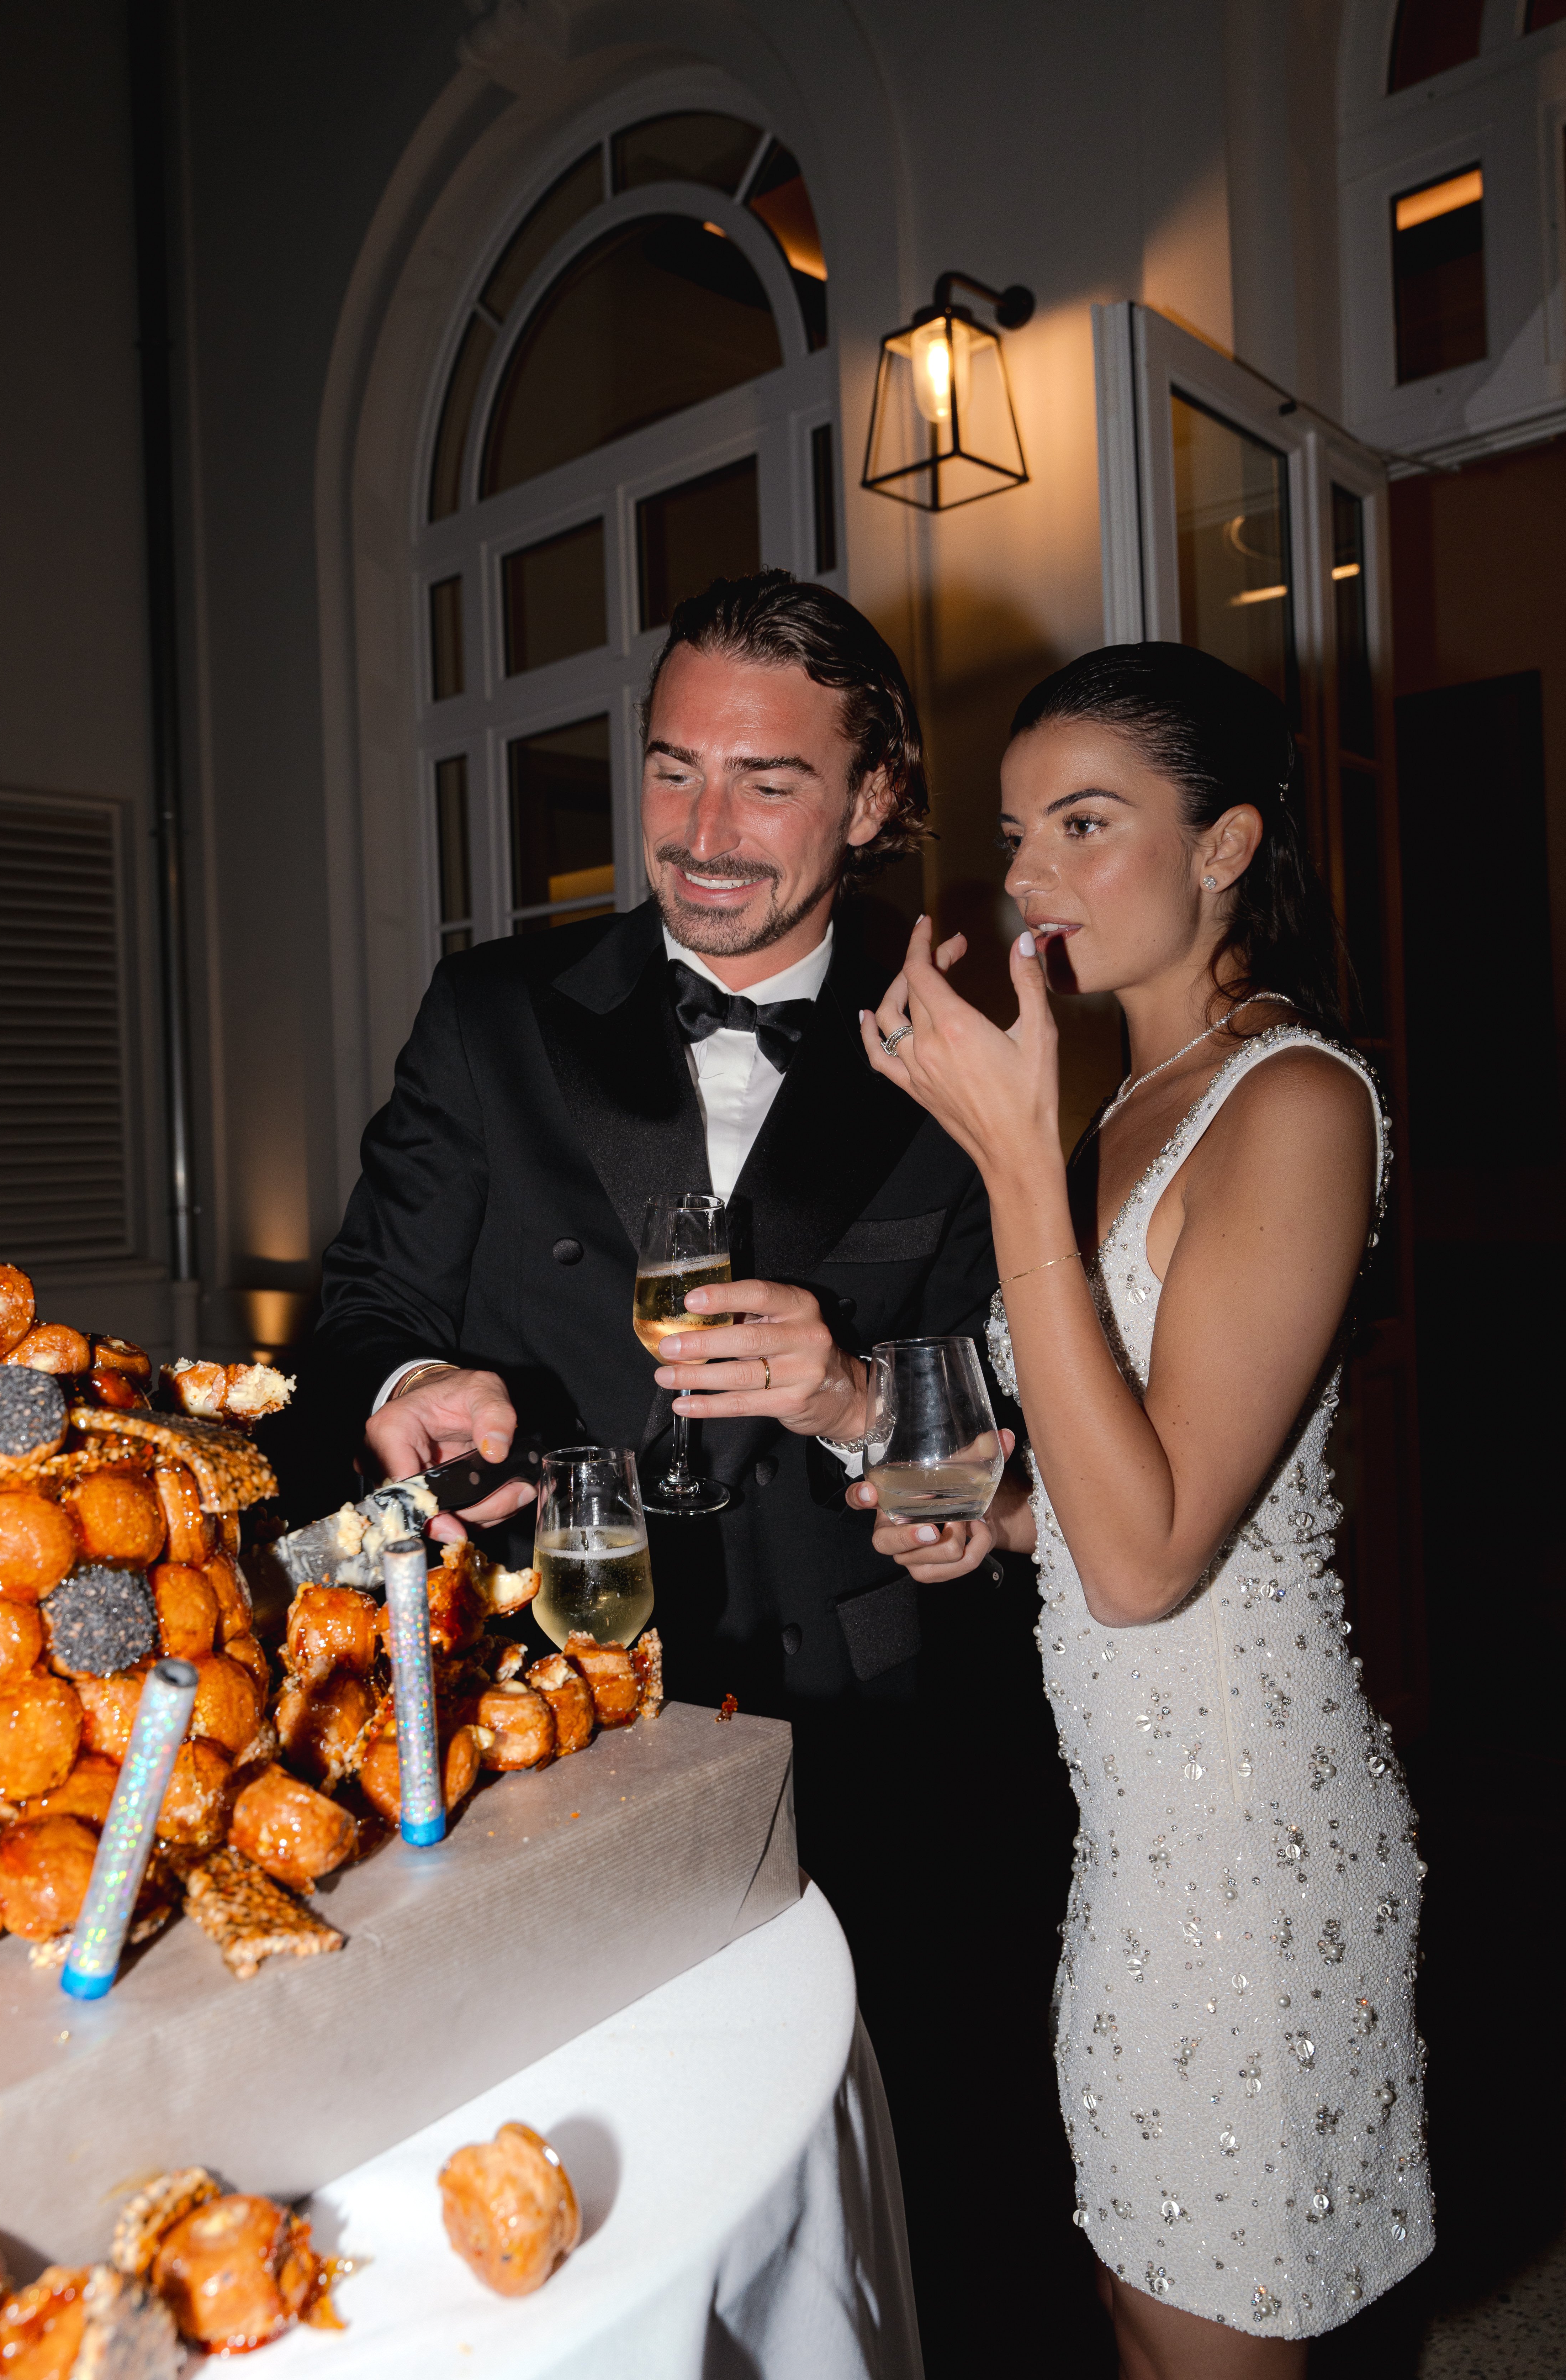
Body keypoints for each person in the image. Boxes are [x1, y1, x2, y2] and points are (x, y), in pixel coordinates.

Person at [312, 570, 1016, 2340]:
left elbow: (1002, 1427)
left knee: (870, 2177)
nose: (702, 836)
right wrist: (405, 1383)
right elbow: (356, 1310)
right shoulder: (490, 1017)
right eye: (671, 770)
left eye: (768, 783)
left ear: (869, 803)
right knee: (535, 2200)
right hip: (536, 1720)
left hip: (862, 1727)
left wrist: (862, 1387)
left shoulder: (968, 1054)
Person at [851, 642, 1432, 2374]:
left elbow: (1156, 1553)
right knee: (1134, 2298)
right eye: (1019, 831)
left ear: (1227, 844)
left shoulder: (1299, 1102)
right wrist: (1001, 1522)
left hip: (1247, 1838)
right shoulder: (1126, 1109)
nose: (1026, 878)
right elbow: (1135, 1495)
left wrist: (1013, 1160)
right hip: (1128, 1827)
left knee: (1211, 2328)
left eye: (1085, 824)